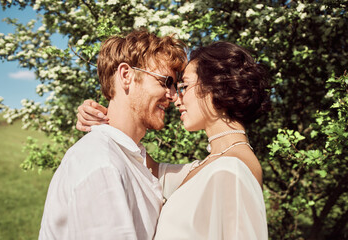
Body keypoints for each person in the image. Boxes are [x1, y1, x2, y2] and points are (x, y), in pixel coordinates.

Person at [77, 41, 270, 239]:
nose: (176, 98)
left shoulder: (231, 171)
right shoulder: (211, 167)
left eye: (184, 86)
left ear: (217, 85)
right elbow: (143, 165)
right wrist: (103, 118)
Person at [39, 30, 187, 240]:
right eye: (165, 82)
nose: (173, 95)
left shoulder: (129, 159)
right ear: (126, 75)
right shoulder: (102, 164)